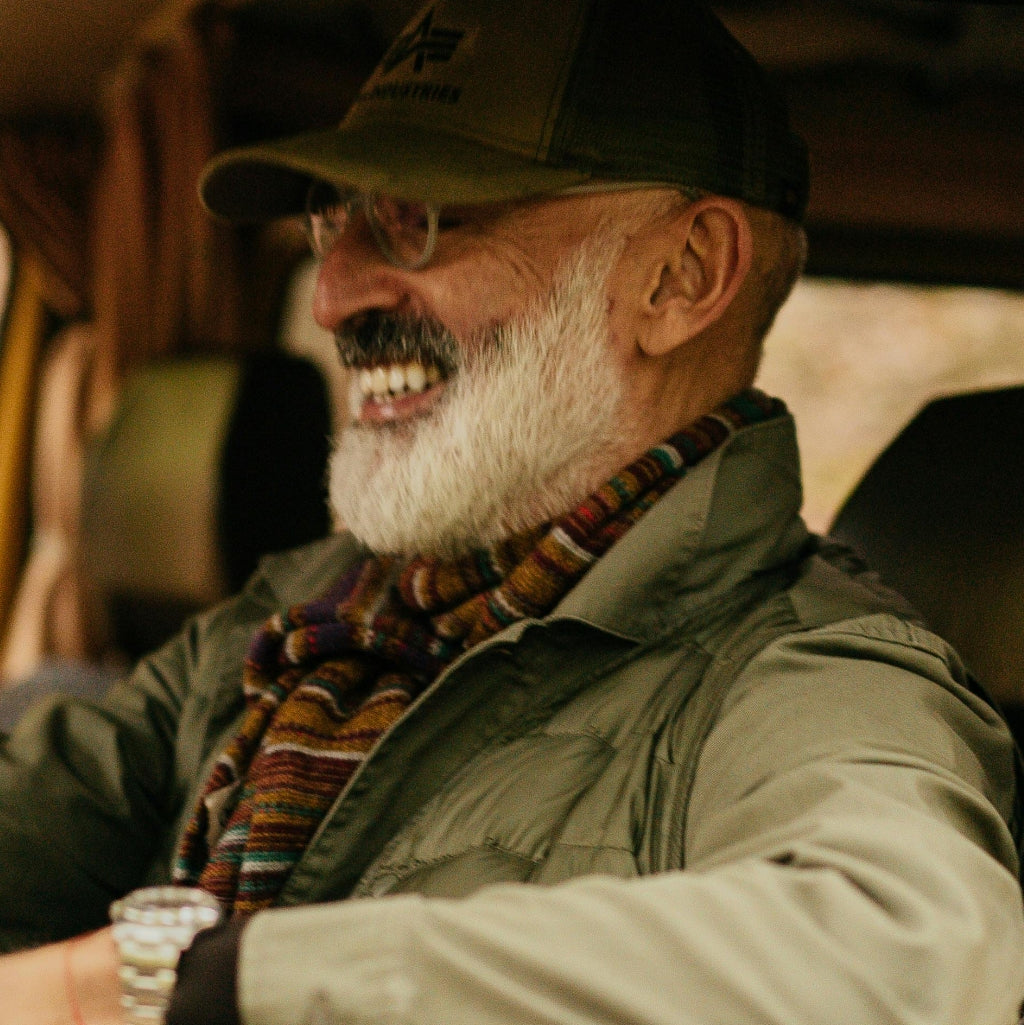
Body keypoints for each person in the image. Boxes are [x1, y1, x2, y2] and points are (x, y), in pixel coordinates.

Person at [1, 1, 1023, 1023]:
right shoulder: (310, 606)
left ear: (680, 276)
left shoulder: (810, 674)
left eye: (417, 217)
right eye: (334, 216)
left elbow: (910, 953)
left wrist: (157, 987)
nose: (333, 292)